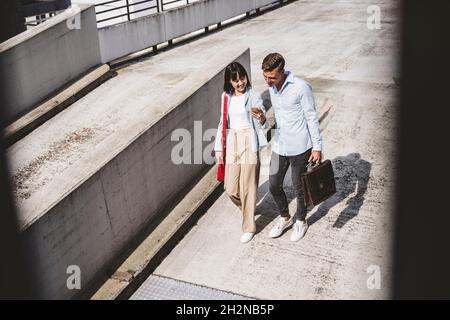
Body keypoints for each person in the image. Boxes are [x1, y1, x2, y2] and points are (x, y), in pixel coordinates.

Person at [262, 53, 323, 242]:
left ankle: (301, 220)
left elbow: (311, 117)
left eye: (271, 77)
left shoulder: (301, 87)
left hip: (300, 147)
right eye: (265, 77)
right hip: (280, 145)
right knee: (273, 184)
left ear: (282, 72)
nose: (267, 81)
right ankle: (285, 217)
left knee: (299, 188)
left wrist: (317, 147)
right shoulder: (272, 88)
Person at [214, 62, 268, 243]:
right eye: (235, 80)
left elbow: (262, 115)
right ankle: (248, 208)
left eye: (242, 78)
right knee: (230, 188)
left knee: (247, 186)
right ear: (229, 82)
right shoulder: (226, 97)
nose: (240, 83)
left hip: (249, 140)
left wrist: (261, 117)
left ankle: (249, 226)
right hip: (232, 140)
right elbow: (223, 122)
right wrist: (218, 148)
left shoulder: (253, 95)